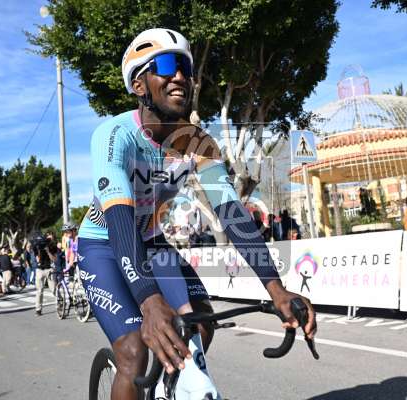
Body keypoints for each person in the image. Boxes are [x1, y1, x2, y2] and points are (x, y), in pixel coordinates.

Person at [76, 28, 316, 400]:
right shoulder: (114, 136)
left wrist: (276, 288)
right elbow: (120, 222)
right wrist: (149, 300)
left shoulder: (199, 143)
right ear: (139, 85)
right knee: (134, 352)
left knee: (200, 324)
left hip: (153, 244)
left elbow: (232, 214)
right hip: (104, 246)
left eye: (186, 68)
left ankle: (170, 389)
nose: (180, 76)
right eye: (166, 66)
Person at [32, 232, 56, 316]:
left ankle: (60, 304)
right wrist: (39, 250)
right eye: (48, 236)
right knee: (39, 290)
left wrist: (48, 251)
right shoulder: (37, 246)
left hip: (49, 269)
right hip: (39, 270)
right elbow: (38, 259)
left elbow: (54, 259)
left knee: (53, 289)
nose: (50, 237)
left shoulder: (52, 246)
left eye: (51, 236)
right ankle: (38, 309)